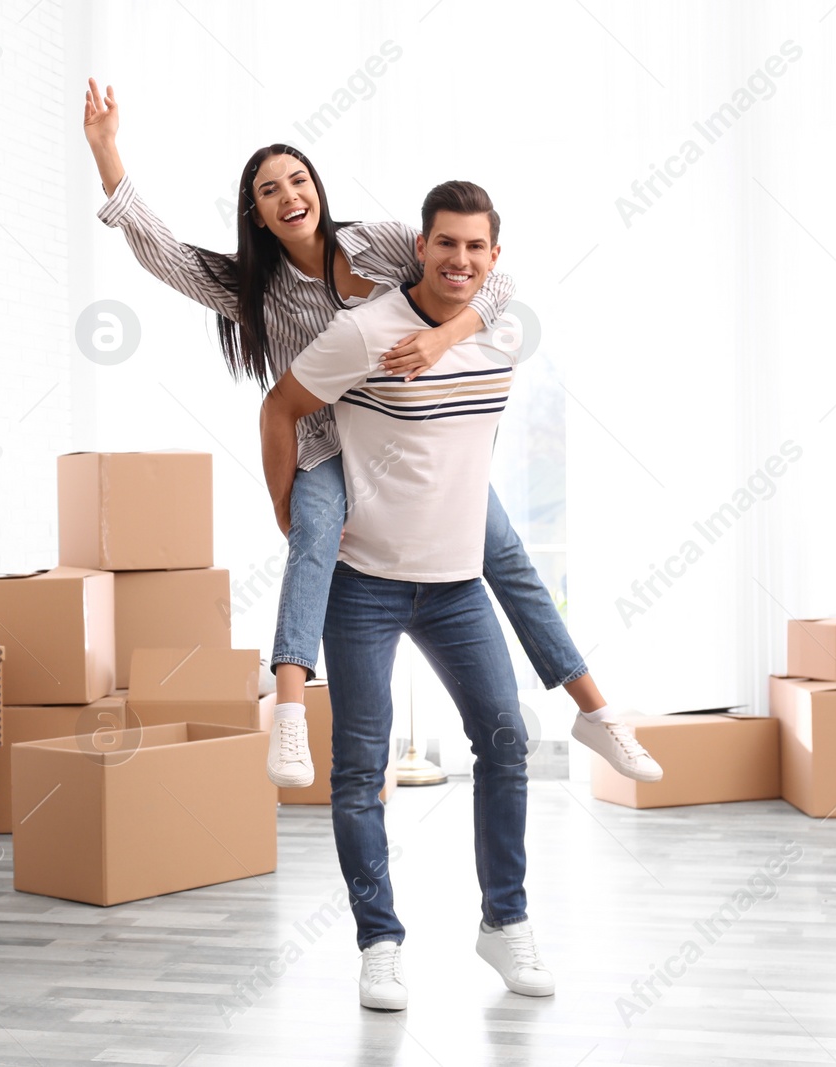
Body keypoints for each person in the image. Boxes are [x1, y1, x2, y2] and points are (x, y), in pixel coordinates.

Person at [80, 78, 661, 789]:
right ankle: (290, 713)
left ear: (317, 189)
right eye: (269, 189)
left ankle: (593, 710)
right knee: (314, 531)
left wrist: (447, 337)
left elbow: (492, 282)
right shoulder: (250, 289)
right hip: (330, 444)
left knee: (506, 555)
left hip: (413, 443)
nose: (289, 193)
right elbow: (161, 250)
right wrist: (109, 152)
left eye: (298, 179)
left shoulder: (380, 243)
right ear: (257, 213)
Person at [261, 181, 555, 1010]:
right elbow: (281, 405)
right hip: (365, 584)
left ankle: (505, 921)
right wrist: (292, 513)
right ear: (418, 247)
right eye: (445, 243)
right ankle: (379, 942)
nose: (459, 259)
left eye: (475, 247)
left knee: (505, 743)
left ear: (493, 259)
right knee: (359, 769)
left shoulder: (502, 328)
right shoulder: (363, 330)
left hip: (458, 584)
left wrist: (452, 339)